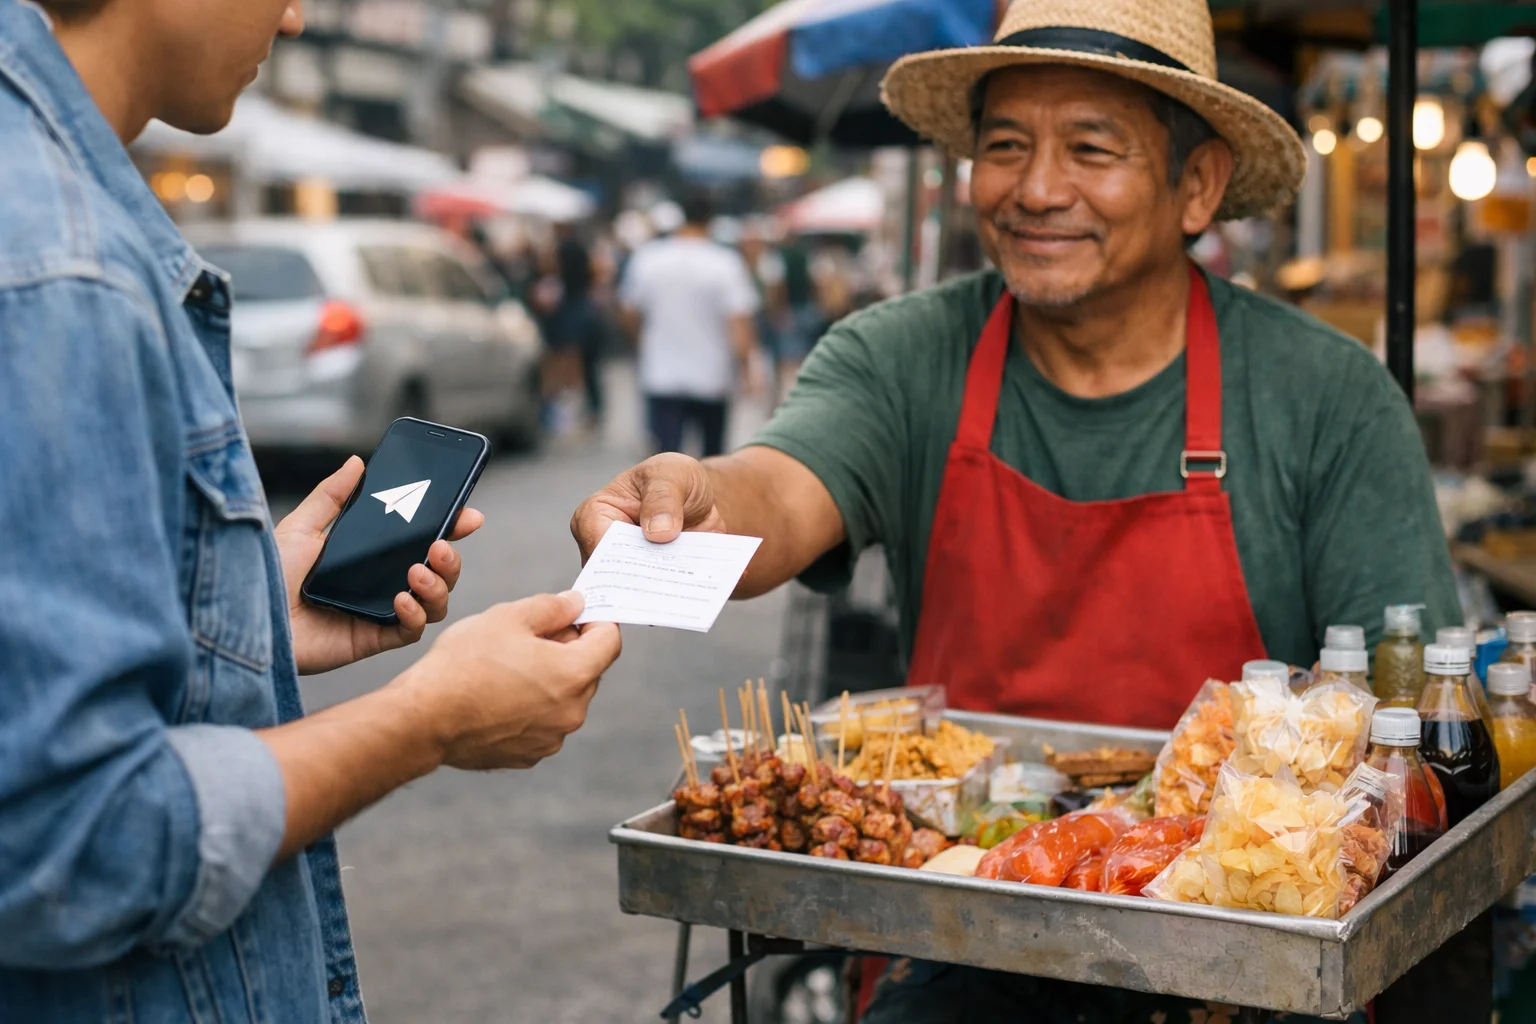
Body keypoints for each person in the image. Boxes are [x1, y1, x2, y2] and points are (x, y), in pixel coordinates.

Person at [572, 0, 1459, 1019]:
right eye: (1004, 147)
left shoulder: (1326, 398)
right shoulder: (902, 358)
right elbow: (779, 486)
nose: (1036, 190)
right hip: (954, 940)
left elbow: (1408, 727)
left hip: (1244, 967)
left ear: (1197, 184)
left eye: (1091, 147)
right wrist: (692, 497)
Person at [0, 2, 622, 1022]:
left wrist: (239, 623)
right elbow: (77, 844)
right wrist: (427, 720)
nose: (295, 16)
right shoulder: (62, 262)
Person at [618, 192, 761, 459]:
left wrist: (642, 340)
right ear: (711, 220)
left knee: (663, 464)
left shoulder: (649, 258)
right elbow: (739, 323)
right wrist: (747, 368)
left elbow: (628, 311)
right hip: (712, 375)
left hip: (661, 373)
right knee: (711, 462)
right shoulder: (725, 263)